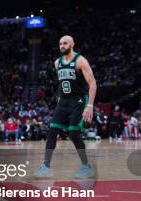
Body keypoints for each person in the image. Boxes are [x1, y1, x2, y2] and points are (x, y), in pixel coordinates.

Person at [35, 35, 97, 179]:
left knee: (73, 133)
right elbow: (64, 83)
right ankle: (45, 165)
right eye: (60, 43)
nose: (62, 46)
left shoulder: (80, 61)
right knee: (52, 130)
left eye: (65, 43)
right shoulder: (57, 63)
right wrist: (59, 96)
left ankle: (86, 166)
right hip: (63, 101)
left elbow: (92, 83)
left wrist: (90, 105)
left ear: (72, 44)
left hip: (79, 101)